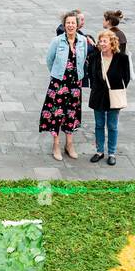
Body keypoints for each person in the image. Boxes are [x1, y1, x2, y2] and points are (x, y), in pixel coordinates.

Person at [41, 12, 88, 162]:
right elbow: (49, 60)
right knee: (56, 114)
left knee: (71, 114)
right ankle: (56, 145)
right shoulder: (57, 41)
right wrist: (57, 74)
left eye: (73, 23)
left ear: (77, 25)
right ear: (64, 24)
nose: (70, 25)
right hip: (59, 83)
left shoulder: (82, 41)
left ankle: (69, 144)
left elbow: (84, 58)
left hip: (75, 83)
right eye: (68, 23)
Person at [86, 29, 131, 166]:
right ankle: (99, 151)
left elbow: (126, 78)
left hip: (114, 96)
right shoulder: (94, 57)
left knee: (112, 126)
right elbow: (90, 74)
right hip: (98, 96)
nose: (102, 43)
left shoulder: (122, 58)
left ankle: (111, 153)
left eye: (105, 41)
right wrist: (96, 88)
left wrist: (116, 89)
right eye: (100, 41)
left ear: (112, 43)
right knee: (99, 125)